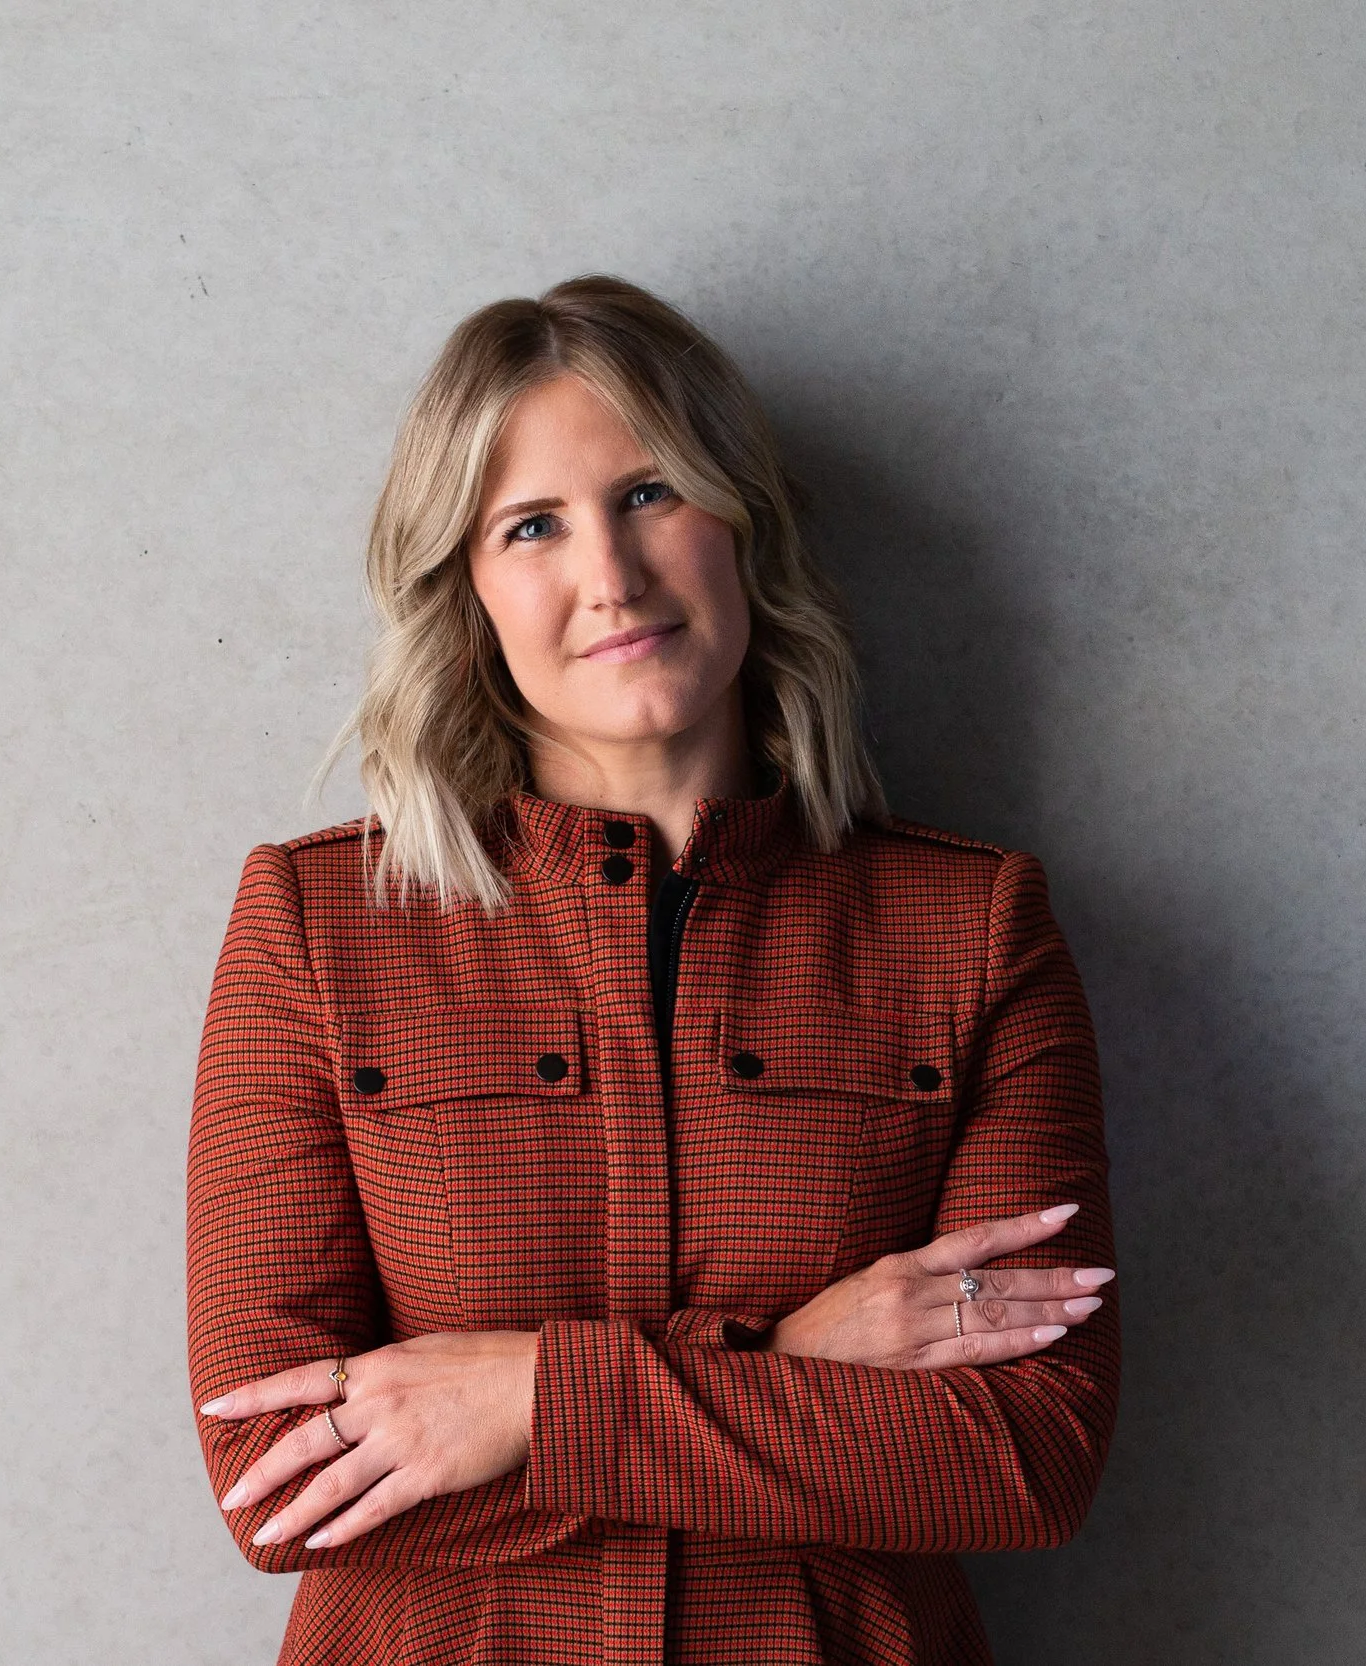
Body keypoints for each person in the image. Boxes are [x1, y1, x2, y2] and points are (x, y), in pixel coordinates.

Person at [185, 275, 1117, 1665]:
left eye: (650, 493)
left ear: (741, 521)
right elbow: (277, 1483)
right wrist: (797, 1359)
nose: (612, 576)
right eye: (533, 525)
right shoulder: (320, 929)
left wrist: (525, 1402)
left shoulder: (972, 929)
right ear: (466, 589)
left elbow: (1026, 1455)